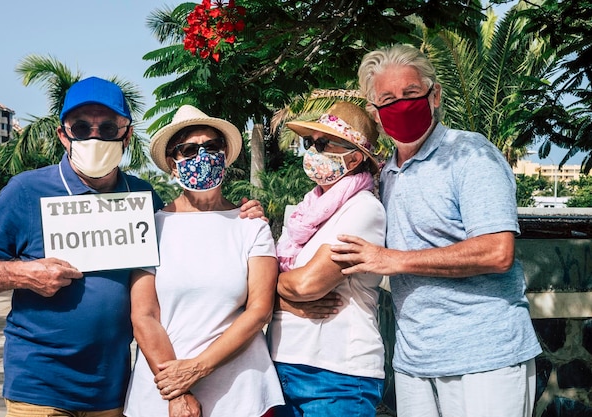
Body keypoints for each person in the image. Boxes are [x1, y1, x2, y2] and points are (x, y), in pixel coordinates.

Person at [0, 77, 263, 417]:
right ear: (64, 134)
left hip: (112, 387)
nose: (94, 137)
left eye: (108, 128)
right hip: (39, 384)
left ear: (126, 134)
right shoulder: (26, 190)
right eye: (81, 127)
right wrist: (21, 273)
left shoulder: (142, 196)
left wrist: (239, 214)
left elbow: (189, 227)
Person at [329, 44, 542, 417]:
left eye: (411, 94)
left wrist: (393, 260)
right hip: (414, 362)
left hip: (485, 356)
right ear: (375, 113)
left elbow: (497, 251)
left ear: (435, 94)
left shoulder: (471, 154)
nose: (401, 105)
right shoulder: (387, 174)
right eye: (388, 99)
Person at [123, 104, 284, 417]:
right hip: (162, 394)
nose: (202, 155)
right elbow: (144, 315)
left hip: (240, 394)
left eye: (211, 146)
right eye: (189, 149)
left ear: (224, 154)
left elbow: (259, 310)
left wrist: (196, 369)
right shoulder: (150, 226)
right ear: (173, 163)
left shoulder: (251, 224)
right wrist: (178, 392)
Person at [266, 101, 387, 417]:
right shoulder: (305, 214)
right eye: (309, 143)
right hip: (283, 365)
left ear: (354, 157)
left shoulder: (363, 209)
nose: (312, 151)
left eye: (322, 143)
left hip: (336, 375)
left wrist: (267, 286)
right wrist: (282, 295)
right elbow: (289, 286)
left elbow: (308, 285)